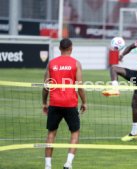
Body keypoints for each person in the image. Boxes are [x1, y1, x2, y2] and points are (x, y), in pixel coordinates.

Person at [42, 38, 87, 169]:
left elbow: (46, 86)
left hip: (54, 103)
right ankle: (68, 163)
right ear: (71, 48)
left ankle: (48, 166)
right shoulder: (76, 64)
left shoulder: (51, 63)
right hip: (70, 104)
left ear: (59, 48)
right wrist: (84, 102)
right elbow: (80, 86)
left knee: (51, 133)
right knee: (75, 132)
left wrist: (44, 103)